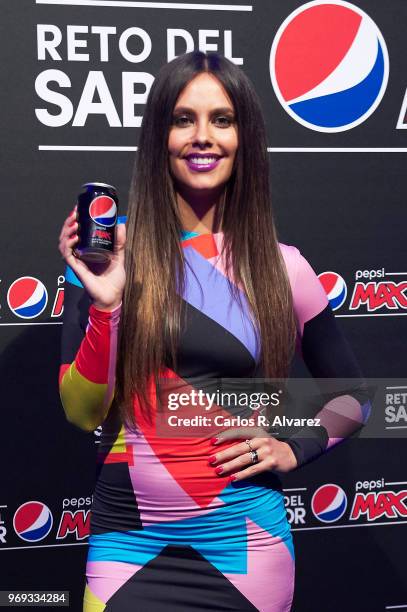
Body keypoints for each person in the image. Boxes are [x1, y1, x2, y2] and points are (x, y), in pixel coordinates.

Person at [58, 51, 371, 612]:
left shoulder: (284, 269)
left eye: (222, 120)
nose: (203, 137)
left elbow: (364, 399)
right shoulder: (110, 255)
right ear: (160, 136)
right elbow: (82, 413)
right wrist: (108, 305)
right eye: (183, 119)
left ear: (244, 138)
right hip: (127, 549)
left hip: (247, 551)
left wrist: (294, 445)